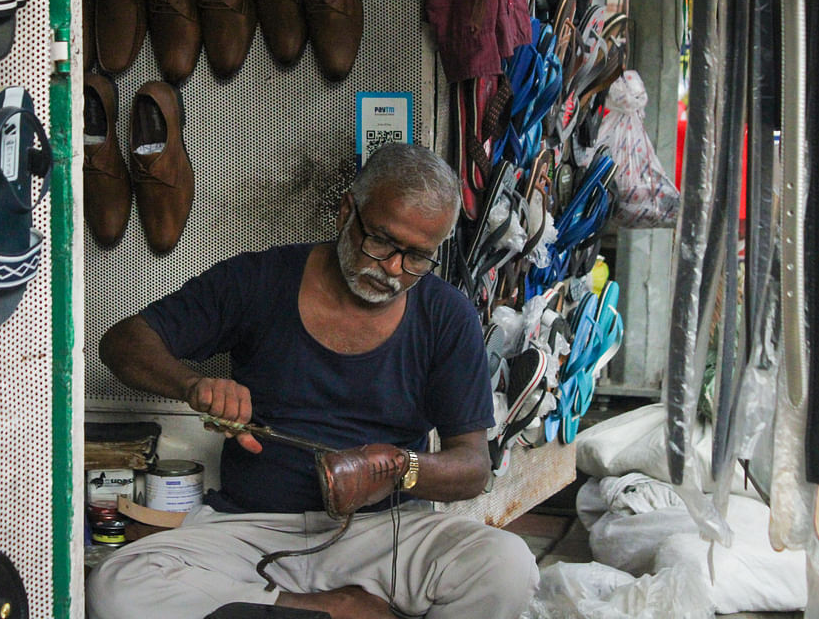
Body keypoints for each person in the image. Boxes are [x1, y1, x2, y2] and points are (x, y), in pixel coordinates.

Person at [86, 144, 539, 619]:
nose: (391, 269)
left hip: (384, 534)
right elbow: (123, 342)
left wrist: (398, 468)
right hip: (250, 530)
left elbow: (472, 468)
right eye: (382, 242)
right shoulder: (258, 280)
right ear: (347, 211)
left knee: (507, 567)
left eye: (417, 258)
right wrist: (193, 385)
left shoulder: (446, 315)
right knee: (118, 586)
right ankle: (328, 609)